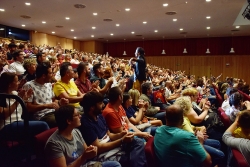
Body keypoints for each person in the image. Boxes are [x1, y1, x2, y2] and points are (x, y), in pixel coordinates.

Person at [79, 91, 147, 167]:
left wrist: (120, 134)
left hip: (112, 144)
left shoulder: (100, 116)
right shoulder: (85, 123)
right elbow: (98, 148)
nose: (103, 105)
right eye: (100, 103)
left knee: (139, 142)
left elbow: (110, 135)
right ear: (92, 107)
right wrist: (121, 140)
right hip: (103, 153)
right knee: (135, 157)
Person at [44, 105, 121, 167]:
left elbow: (86, 151)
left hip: (88, 164)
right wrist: (84, 157)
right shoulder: (54, 144)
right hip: (84, 163)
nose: (80, 116)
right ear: (69, 121)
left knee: (115, 164)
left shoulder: (76, 131)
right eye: (77, 115)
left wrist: (91, 150)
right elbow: (84, 156)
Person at [0, 72, 49, 141]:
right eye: (16, 81)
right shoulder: (2, 97)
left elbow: (20, 113)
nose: (18, 83)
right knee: (43, 125)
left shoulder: (15, 93)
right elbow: (5, 115)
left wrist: (24, 100)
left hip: (19, 122)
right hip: (6, 126)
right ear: (9, 84)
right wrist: (18, 99)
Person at [23, 62, 68, 128]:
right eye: (50, 73)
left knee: (74, 116)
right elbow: (28, 108)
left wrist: (60, 102)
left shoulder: (49, 84)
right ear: (43, 75)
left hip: (53, 112)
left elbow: (53, 101)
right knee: (64, 121)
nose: (52, 75)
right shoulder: (29, 86)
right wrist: (46, 106)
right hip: (41, 116)